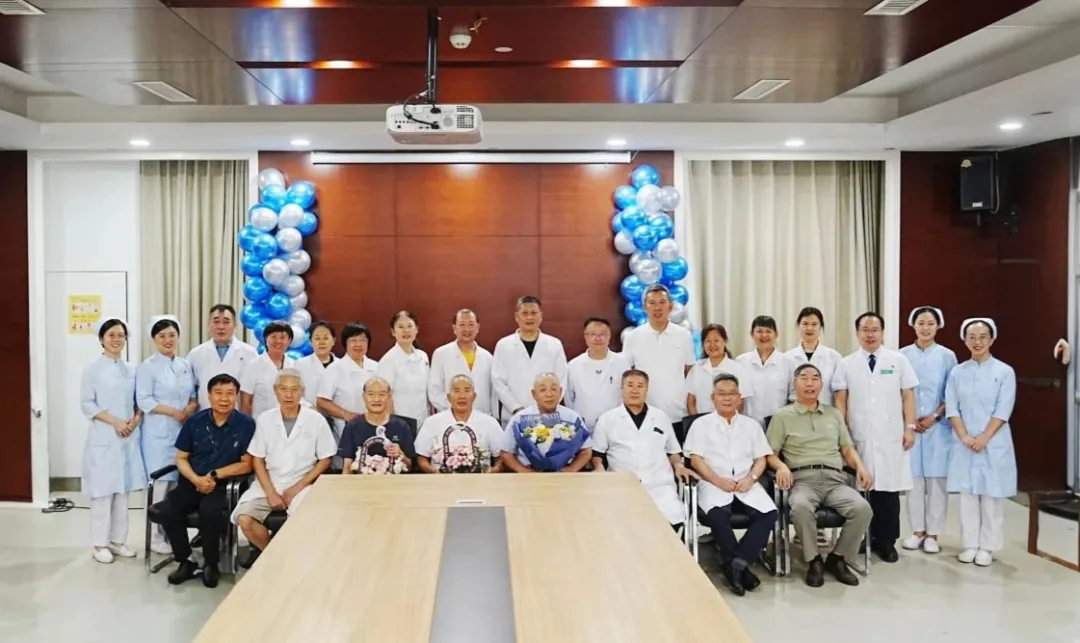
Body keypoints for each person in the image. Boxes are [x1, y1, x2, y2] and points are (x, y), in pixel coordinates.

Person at [767, 364, 874, 588]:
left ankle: (837, 559)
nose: (810, 383)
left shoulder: (834, 414)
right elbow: (770, 454)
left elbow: (847, 449)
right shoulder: (782, 416)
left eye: (815, 378)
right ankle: (813, 560)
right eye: (804, 378)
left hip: (836, 480)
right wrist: (781, 467)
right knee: (801, 507)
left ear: (821, 385)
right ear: (794, 384)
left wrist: (861, 467)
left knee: (862, 509)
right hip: (802, 480)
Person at [833, 312, 918, 563]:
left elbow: (908, 396)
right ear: (857, 332)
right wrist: (842, 434)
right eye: (865, 330)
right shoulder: (846, 363)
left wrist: (910, 427)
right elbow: (841, 400)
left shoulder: (898, 360)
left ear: (882, 332)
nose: (870, 335)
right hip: (859, 435)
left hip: (891, 435)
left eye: (874, 329)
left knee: (889, 492)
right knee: (863, 491)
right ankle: (866, 537)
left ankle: (887, 542)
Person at [684, 374, 778, 597]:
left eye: (731, 394)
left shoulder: (751, 425)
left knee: (769, 513)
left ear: (739, 397)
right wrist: (717, 480)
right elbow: (696, 459)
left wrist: (751, 479)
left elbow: (761, 458)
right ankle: (741, 569)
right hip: (713, 482)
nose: (727, 398)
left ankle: (735, 564)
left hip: (747, 481)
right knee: (718, 515)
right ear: (713, 398)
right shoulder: (700, 425)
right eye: (721, 394)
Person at [159, 374, 255, 588]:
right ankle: (186, 561)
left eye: (230, 393)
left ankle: (211, 564)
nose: (224, 399)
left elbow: (246, 464)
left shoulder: (246, 424)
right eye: (218, 393)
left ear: (237, 397)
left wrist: (213, 476)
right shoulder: (195, 422)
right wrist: (196, 479)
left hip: (226, 485)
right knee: (168, 510)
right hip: (193, 480)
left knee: (210, 512)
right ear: (209, 396)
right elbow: (181, 458)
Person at [233, 369, 335, 568]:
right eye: (284, 389)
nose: (289, 395)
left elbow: (325, 460)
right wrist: (271, 492)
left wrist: (297, 487)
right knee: (245, 519)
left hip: (302, 485)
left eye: (294, 390)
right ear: (275, 391)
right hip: (268, 484)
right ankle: (275, 559)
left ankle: (295, 562)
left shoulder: (315, 420)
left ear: (302, 392)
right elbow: (258, 459)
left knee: (306, 521)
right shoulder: (265, 419)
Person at [946, 318, 1017, 567]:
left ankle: (987, 547)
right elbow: (952, 406)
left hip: (993, 442)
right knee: (967, 496)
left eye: (983, 337)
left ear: (992, 339)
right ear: (965, 340)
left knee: (991, 497)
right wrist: (964, 436)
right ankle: (970, 544)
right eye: (972, 337)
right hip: (964, 442)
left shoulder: (1004, 372)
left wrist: (984, 437)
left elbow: (1003, 409)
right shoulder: (957, 372)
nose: (977, 342)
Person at [591, 369, 696, 529]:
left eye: (640, 386)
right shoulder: (607, 419)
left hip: (659, 485)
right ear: (622, 388)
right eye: (630, 385)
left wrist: (679, 466)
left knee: (671, 523)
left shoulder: (661, 417)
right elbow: (597, 453)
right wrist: (599, 468)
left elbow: (673, 451)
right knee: (623, 526)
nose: (635, 390)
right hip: (622, 486)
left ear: (647, 390)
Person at [81, 318, 145, 564]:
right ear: (101, 339)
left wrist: (134, 421)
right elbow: (87, 403)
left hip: (127, 437)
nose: (117, 340)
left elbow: (140, 402)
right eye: (111, 335)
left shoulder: (131, 370)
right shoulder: (92, 370)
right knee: (103, 493)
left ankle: (118, 541)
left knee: (122, 492)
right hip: (105, 436)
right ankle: (99, 544)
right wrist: (116, 422)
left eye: (121, 335)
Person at [136, 314, 198, 555]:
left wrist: (189, 408)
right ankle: (154, 537)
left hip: (182, 431)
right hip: (158, 435)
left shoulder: (184, 365)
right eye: (161, 336)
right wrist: (173, 412)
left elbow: (193, 394)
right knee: (160, 486)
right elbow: (144, 400)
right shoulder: (147, 367)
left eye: (172, 335)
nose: (167, 340)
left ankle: (172, 534)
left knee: (176, 488)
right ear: (154, 339)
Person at [899, 306, 958, 554]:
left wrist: (934, 416)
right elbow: (898, 391)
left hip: (938, 428)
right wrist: (910, 420)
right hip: (910, 427)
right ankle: (917, 531)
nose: (925, 328)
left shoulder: (947, 356)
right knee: (912, 481)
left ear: (938, 326)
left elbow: (952, 392)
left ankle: (933, 534)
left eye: (930, 323)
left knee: (936, 481)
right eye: (921, 323)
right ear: (913, 325)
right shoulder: (902, 356)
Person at [623, 285, 696, 422]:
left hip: (678, 414)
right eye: (652, 303)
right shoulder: (633, 337)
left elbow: (690, 373)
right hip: (644, 415)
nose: (657, 308)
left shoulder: (683, 335)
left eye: (662, 302)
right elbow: (626, 376)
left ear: (670, 306)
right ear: (645, 307)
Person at [492, 296, 568, 423]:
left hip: (547, 416)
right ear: (517, 317)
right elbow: (498, 381)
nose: (529, 317)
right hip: (513, 416)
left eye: (533, 313)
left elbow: (561, 380)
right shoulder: (503, 345)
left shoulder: (554, 345)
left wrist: (548, 407)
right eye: (524, 313)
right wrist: (516, 408)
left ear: (540, 316)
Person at [502, 373, 593, 473]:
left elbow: (586, 451)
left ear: (560, 392)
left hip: (564, 473)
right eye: (543, 390)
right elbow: (505, 453)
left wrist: (571, 469)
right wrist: (523, 471)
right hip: (529, 473)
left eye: (554, 389)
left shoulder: (572, 416)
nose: (549, 394)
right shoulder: (520, 418)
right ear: (534, 394)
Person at [415, 374, 507, 473]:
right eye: (456, 391)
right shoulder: (431, 422)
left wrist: (492, 471)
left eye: (467, 390)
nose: (462, 396)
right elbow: (421, 458)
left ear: (474, 396)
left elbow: (501, 457)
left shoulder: (489, 422)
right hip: (441, 479)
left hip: (480, 479)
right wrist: (434, 472)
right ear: (449, 397)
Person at [317, 322, 378, 448]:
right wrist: (345, 414)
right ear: (345, 343)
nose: (358, 344)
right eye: (353, 340)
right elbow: (322, 401)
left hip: (374, 425)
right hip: (347, 426)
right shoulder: (335, 368)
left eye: (363, 340)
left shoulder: (376, 366)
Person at [340, 377, 417, 474]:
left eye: (382, 394)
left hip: (394, 482)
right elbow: (347, 467)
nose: (376, 399)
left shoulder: (402, 426)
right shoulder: (352, 427)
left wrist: (401, 455)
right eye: (371, 394)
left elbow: (409, 467)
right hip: (361, 482)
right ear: (364, 397)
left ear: (389, 396)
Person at [186, 304, 257, 410]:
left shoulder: (250, 353)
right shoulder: (195, 354)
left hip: (238, 414)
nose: (221, 327)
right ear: (209, 325)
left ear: (235, 326)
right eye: (216, 322)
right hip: (205, 413)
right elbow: (190, 390)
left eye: (226, 322)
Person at [565, 317, 630, 429]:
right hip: (583, 426)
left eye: (602, 334)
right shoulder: (573, 365)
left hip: (615, 425)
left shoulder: (622, 362)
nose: (598, 338)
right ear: (585, 337)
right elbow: (569, 398)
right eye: (592, 334)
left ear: (609, 336)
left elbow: (627, 393)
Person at [428, 309, 494, 415]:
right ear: (454, 328)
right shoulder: (440, 354)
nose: (467, 329)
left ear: (477, 327)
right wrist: (457, 409)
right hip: (449, 416)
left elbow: (493, 394)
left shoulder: (488, 357)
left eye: (471, 324)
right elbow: (434, 391)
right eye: (462, 324)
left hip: (481, 417)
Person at [736, 315, 795, 427]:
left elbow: (793, 396)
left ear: (776, 334)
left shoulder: (788, 362)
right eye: (759, 331)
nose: (764, 335)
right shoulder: (741, 361)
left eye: (768, 331)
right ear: (751, 334)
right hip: (747, 424)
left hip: (779, 424)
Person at [686, 323, 753, 416]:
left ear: (724, 341)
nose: (712, 345)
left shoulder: (738, 369)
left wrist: (723, 421)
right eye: (708, 341)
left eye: (716, 340)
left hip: (729, 422)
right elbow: (691, 402)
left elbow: (740, 403)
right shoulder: (696, 369)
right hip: (701, 422)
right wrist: (700, 422)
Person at [377, 310, 431, 424]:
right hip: (401, 422)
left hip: (424, 420)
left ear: (416, 329)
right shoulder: (388, 360)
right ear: (393, 332)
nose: (406, 330)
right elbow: (385, 396)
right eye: (401, 327)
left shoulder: (423, 356)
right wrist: (392, 425)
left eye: (410, 326)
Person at [785, 307, 842, 405]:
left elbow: (839, 393)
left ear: (821, 327)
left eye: (814, 324)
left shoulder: (834, 357)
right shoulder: (787, 357)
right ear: (798, 326)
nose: (809, 328)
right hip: (795, 412)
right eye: (805, 324)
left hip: (825, 411)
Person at [240, 322, 295, 419]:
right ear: (266, 339)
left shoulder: (294, 365)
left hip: (289, 422)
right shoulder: (253, 365)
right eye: (273, 337)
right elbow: (245, 402)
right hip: (260, 423)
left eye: (282, 337)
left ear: (289, 340)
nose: (278, 341)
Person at [294, 321, 337, 407]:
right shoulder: (301, 364)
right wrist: (310, 408)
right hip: (309, 412)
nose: (321, 342)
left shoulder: (342, 365)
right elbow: (294, 392)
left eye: (326, 338)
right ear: (310, 342)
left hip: (338, 414)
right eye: (317, 338)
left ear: (333, 341)